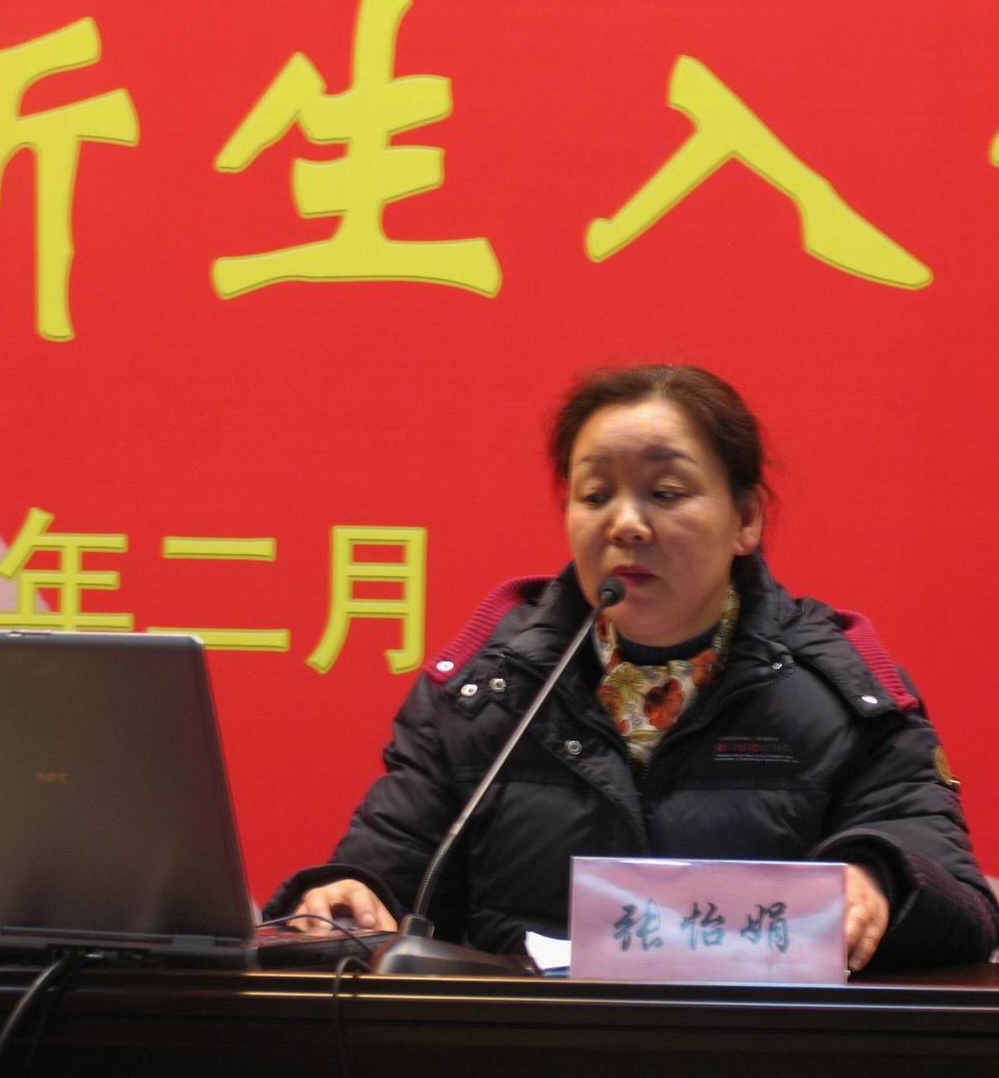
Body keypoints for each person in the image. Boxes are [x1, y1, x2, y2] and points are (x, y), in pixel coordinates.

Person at [266, 364, 999, 971]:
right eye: (595, 495)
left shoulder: (838, 693)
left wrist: (878, 878)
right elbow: (387, 869)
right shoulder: (489, 691)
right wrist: (347, 892)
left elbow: (957, 898)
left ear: (745, 519)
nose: (623, 523)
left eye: (665, 493)